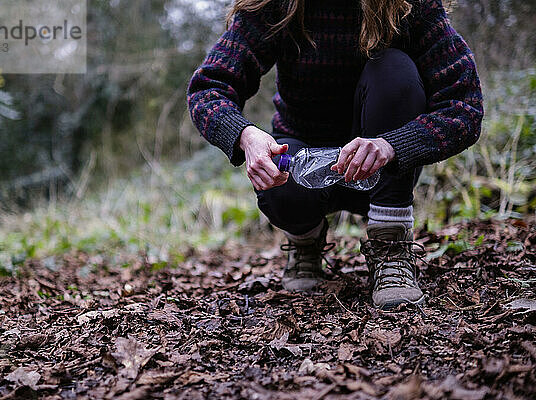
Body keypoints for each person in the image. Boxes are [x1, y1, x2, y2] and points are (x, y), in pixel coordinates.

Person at [186, 0, 483, 310]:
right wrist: (245, 136)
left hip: (382, 167)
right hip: (302, 160)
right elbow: (208, 88)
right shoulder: (275, 6)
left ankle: (392, 242)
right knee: (282, 193)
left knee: (395, 68)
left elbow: (465, 106)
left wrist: (392, 144)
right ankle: (305, 242)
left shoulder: (410, 7)